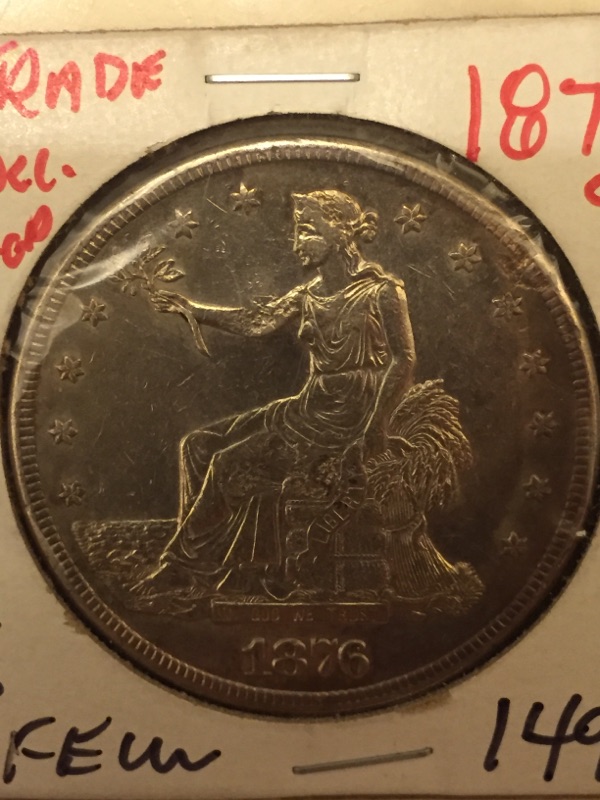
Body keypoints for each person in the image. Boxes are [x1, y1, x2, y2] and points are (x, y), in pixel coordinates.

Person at [145, 189, 417, 597]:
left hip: (348, 415)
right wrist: (194, 310)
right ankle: (213, 562)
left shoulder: (381, 292)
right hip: (308, 408)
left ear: (341, 232)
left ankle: (183, 569)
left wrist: (376, 425)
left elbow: (404, 359)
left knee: (226, 463)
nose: (295, 243)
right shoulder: (307, 295)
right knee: (197, 445)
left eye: (306, 230)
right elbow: (257, 321)